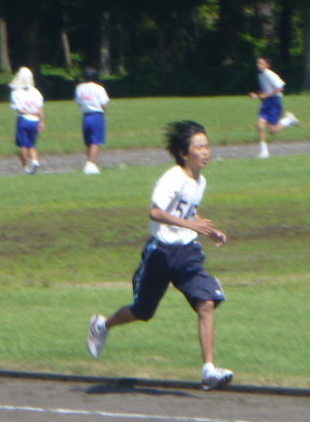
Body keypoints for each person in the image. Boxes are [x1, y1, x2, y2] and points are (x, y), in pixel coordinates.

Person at [86, 120, 234, 391]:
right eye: (199, 147)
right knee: (142, 311)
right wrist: (191, 224)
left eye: (207, 146)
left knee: (207, 302)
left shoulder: (200, 181)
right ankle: (103, 325)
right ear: (184, 153)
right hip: (161, 253)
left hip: (187, 253)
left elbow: (187, 213)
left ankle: (209, 370)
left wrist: (209, 231)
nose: (206, 152)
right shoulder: (172, 178)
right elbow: (156, 212)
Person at [249, 56, 299, 158]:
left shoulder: (270, 74)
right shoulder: (260, 75)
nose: (258, 65)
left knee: (273, 130)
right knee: (260, 125)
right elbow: (264, 89)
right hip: (266, 103)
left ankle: (289, 120)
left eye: (261, 63)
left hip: (274, 102)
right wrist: (257, 94)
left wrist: (266, 95)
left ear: (267, 65)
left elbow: (280, 88)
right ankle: (264, 152)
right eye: (258, 63)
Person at [10, 67, 45, 174]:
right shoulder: (36, 92)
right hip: (35, 120)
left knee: (23, 145)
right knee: (32, 144)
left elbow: (19, 109)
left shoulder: (16, 93)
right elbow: (40, 108)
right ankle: (35, 161)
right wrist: (42, 121)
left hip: (23, 120)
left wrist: (28, 112)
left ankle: (26, 167)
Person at [75, 66, 110, 174]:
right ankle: (90, 164)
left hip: (86, 115)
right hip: (97, 115)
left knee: (89, 141)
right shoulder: (99, 88)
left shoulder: (79, 88)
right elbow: (104, 104)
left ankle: (92, 163)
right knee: (95, 141)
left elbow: (79, 102)